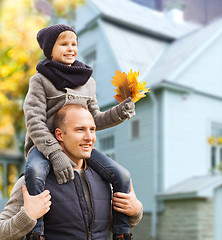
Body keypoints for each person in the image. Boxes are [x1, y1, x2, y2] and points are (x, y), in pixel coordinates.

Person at [23, 23, 136, 240]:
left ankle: (121, 232)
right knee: (35, 172)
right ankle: (36, 232)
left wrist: (120, 112)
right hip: (45, 146)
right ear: (50, 50)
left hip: (76, 147)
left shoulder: (88, 82)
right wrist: (55, 154)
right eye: (63, 44)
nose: (70, 48)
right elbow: (34, 121)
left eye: (74, 43)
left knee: (122, 175)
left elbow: (95, 119)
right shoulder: (40, 80)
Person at [0, 104, 143, 240]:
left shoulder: (105, 179)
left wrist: (135, 211)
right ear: (59, 135)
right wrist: (27, 216)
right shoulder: (34, 181)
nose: (89, 138)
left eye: (92, 130)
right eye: (80, 130)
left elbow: (106, 227)